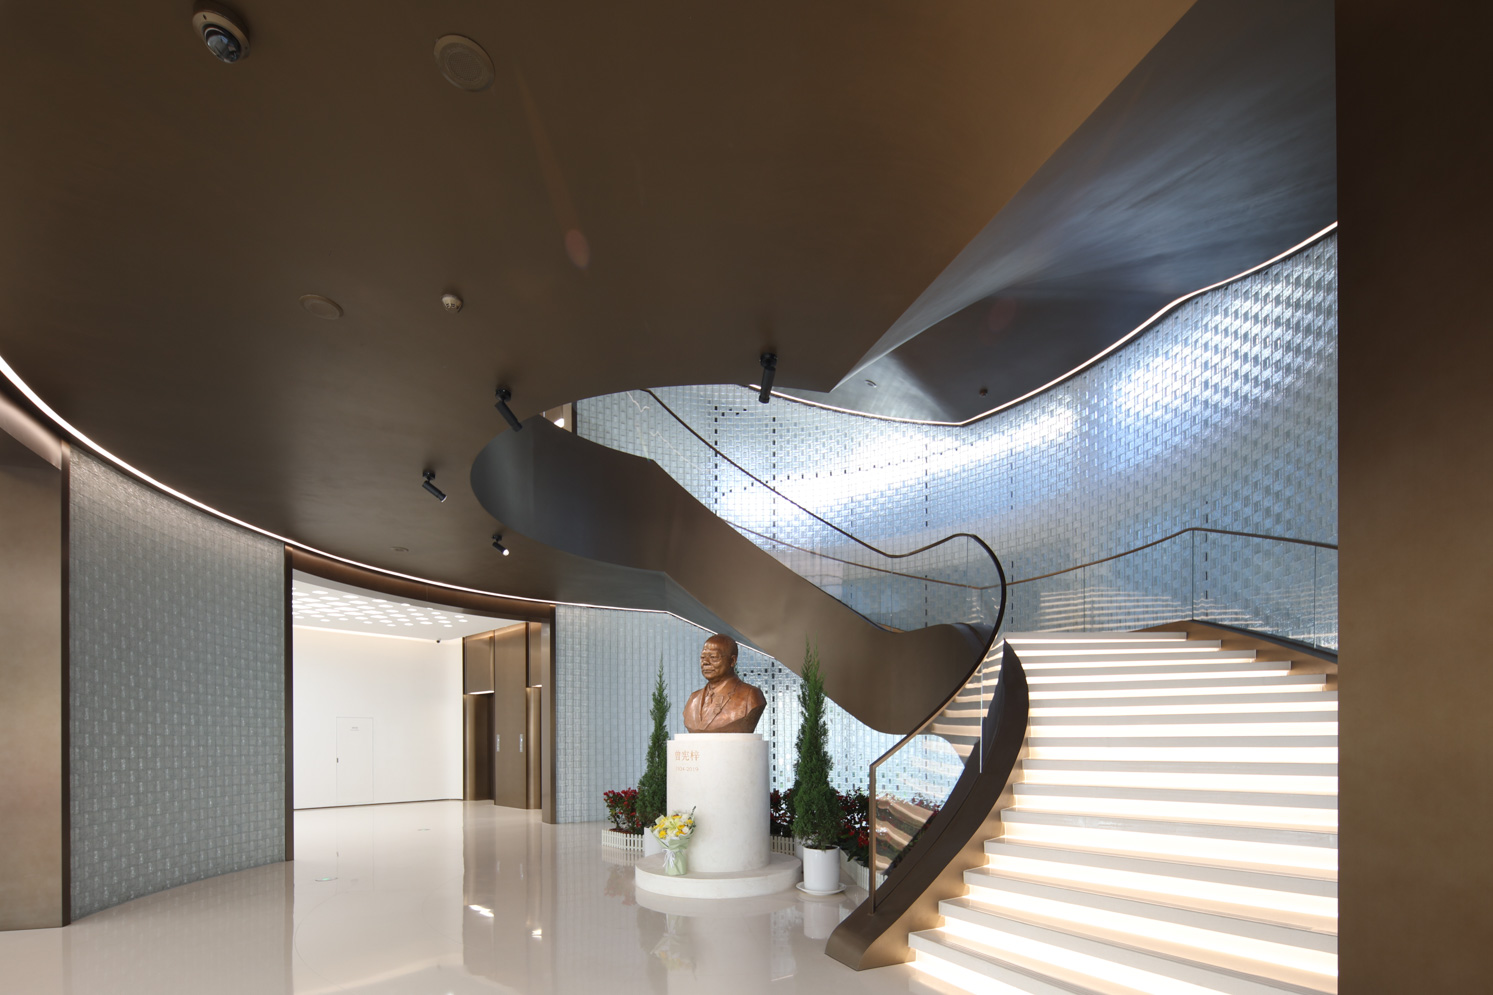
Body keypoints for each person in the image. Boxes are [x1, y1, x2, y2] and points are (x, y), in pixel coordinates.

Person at [682, 633, 766, 734]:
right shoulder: (693, 698)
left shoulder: (751, 696)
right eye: (703, 657)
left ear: (732, 661)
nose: (706, 662)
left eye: (713, 657)